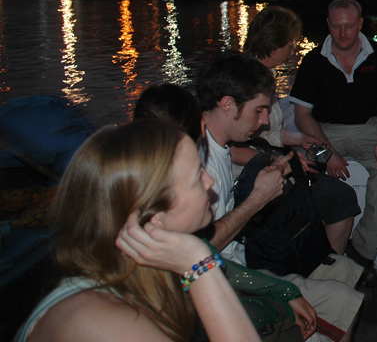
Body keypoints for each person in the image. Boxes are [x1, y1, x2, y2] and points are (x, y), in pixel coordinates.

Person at [15, 120, 260, 342]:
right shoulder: (99, 320)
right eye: (197, 176)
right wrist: (199, 264)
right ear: (153, 217)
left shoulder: (146, 273)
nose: (209, 181)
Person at [197, 53, 364, 342]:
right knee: (343, 301)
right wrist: (257, 200)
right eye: (259, 110)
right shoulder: (198, 162)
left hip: (245, 256)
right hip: (226, 279)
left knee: (346, 269)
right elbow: (199, 250)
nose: (264, 121)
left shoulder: (221, 146)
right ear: (227, 104)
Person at [290, 0, 377, 284]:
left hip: (369, 129)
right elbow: (303, 115)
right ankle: (310, 252)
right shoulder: (314, 60)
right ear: (328, 24)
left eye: (349, 26)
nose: (343, 33)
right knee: (295, 169)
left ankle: (361, 255)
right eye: (337, 26)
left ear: (360, 24)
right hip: (324, 131)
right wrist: (327, 152)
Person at [242, 5, 360, 254]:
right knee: (343, 198)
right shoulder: (247, 82)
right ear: (274, 44)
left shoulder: (265, 76)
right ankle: (326, 266)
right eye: (290, 44)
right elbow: (233, 146)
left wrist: (301, 139)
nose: (293, 50)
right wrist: (282, 161)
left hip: (268, 161)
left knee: (317, 166)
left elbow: (264, 134)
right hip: (252, 176)